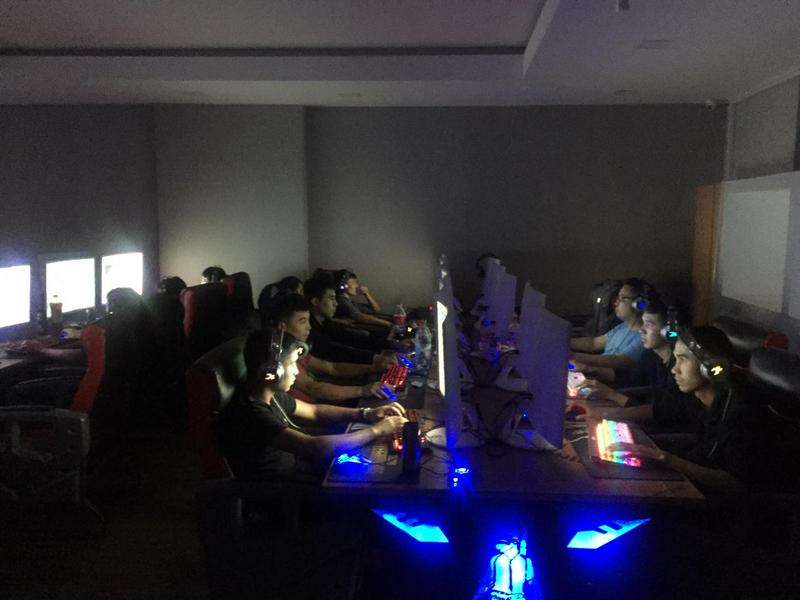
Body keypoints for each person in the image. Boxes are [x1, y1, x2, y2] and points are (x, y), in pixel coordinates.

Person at [588, 326, 766, 496]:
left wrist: (663, 457)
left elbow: (736, 485)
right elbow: (666, 414)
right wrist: (639, 445)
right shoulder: (700, 399)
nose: (674, 369)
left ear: (711, 369)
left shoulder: (741, 413)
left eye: (683, 359)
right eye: (675, 359)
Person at [214, 329, 407, 482]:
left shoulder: (271, 395)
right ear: (271, 373)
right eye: (292, 364)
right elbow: (315, 447)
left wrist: (366, 413)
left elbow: (315, 411)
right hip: (284, 489)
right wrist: (377, 431)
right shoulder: (252, 413)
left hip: (301, 469)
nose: (297, 371)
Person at [575, 297, 694, 423]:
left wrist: (609, 405)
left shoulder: (679, 369)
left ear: (669, 332)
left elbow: (666, 413)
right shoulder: (651, 355)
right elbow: (630, 376)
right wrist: (590, 369)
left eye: (649, 324)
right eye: (642, 323)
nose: (641, 330)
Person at [267, 292, 396, 403]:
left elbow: (332, 368)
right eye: (302, 322)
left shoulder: (298, 348)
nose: (309, 327)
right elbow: (312, 387)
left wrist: (374, 367)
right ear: (282, 327)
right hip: (313, 415)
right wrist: (362, 390)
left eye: (308, 321)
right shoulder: (279, 355)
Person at [304, 273, 399, 364]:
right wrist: (375, 358)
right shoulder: (310, 330)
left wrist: (391, 345)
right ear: (315, 301)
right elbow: (336, 351)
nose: (336, 304)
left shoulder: (326, 322)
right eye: (331, 298)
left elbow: (350, 338)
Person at [569, 278, 648, 378]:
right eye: (618, 298)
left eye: (623, 299)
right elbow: (593, 343)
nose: (616, 303)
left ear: (640, 304)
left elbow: (616, 361)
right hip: (593, 375)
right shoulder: (622, 327)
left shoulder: (644, 337)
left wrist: (572, 356)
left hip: (610, 382)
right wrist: (562, 342)